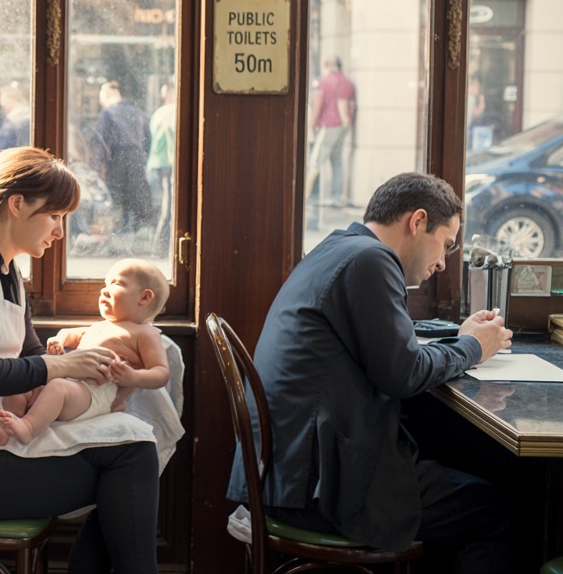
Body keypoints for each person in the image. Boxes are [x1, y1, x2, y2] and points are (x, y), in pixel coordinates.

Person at [226, 172, 515, 572]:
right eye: (445, 246)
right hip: (317, 488)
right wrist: (472, 347)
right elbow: (404, 374)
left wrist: (463, 340)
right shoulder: (370, 259)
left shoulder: (340, 247)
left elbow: (392, 353)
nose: (443, 264)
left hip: (288, 472)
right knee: (499, 509)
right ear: (417, 222)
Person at [0, 146, 161, 573]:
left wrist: (91, 374)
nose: (60, 232)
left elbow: (33, 355)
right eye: (55, 216)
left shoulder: (6, 269)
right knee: (130, 464)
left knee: (130, 453)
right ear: (17, 204)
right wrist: (59, 368)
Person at [0, 257, 172, 446]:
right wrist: (59, 339)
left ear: (144, 297)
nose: (104, 290)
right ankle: (5, 427)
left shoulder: (145, 333)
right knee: (21, 383)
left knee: (58, 388)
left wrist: (134, 376)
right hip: (71, 381)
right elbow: (71, 334)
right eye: (105, 284)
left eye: (117, 284)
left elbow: (161, 372)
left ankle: (28, 428)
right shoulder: (102, 326)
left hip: (95, 393)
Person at [92, 80, 152, 239]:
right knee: (135, 197)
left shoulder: (108, 113)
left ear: (109, 95)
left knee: (117, 197)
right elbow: (147, 140)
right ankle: (135, 236)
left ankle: (120, 237)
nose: (102, 102)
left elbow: (101, 142)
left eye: (102, 97)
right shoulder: (139, 113)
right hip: (137, 158)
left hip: (118, 158)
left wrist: (96, 168)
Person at [306, 56, 356, 208]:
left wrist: (312, 125)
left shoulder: (324, 82)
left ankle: (306, 195)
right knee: (337, 160)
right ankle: (338, 195)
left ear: (328, 65)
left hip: (328, 125)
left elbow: (317, 105)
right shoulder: (348, 82)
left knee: (315, 161)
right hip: (343, 127)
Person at [146, 83, 176, 254]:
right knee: (169, 206)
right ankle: (160, 246)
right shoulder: (172, 112)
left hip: (156, 164)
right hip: (168, 164)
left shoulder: (158, 113)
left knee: (165, 204)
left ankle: (159, 246)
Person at [0, 81, 31, 154]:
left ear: (11, 99)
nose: (1, 103)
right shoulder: (28, 117)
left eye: (2, 98)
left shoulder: (11, 122)